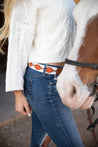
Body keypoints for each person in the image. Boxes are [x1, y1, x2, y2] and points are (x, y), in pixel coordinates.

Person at [0, 0, 84, 146]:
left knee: (40, 143)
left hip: (63, 80)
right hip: (44, 82)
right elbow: (17, 45)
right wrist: (18, 93)